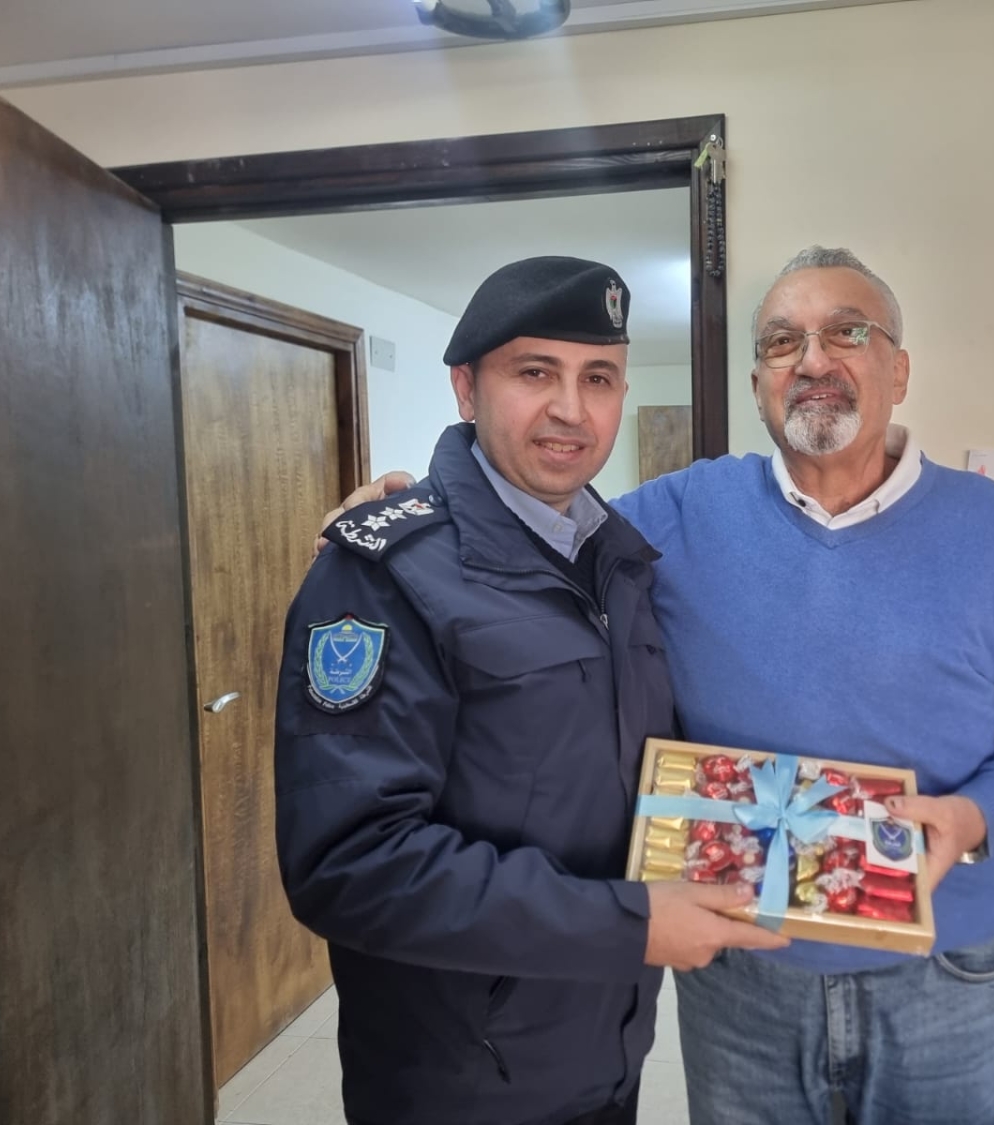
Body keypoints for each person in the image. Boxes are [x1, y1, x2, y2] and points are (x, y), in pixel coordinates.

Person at [322, 247, 994, 1125]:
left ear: (898, 370)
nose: (812, 360)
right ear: (756, 383)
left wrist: (975, 816)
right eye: (782, 341)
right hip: (741, 974)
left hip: (944, 972)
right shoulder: (670, 518)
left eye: (846, 333)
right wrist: (406, 507)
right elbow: (526, 531)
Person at [276, 256, 787, 1125]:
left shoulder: (621, 559)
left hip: (604, 1051)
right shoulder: (384, 575)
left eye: (599, 378)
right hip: (461, 1082)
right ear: (466, 388)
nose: (571, 409)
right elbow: (350, 864)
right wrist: (631, 924)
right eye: (535, 372)